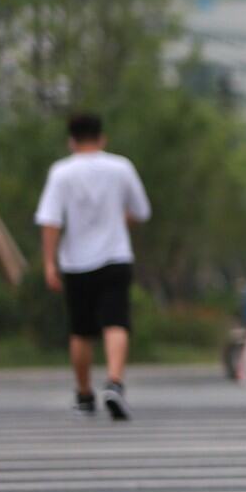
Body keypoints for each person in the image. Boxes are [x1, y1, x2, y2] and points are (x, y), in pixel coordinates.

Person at [35, 112, 151, 421]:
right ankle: (114, 382)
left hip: (76, 262)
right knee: (116, 322)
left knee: (81, 330)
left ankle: (85, 395)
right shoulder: (121, 167)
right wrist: (118, 221)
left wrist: (49, 263)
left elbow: (50, 221)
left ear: (71, 141)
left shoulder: (61, 172)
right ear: (102, 138)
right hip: (115, 256)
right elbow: (141, 211)